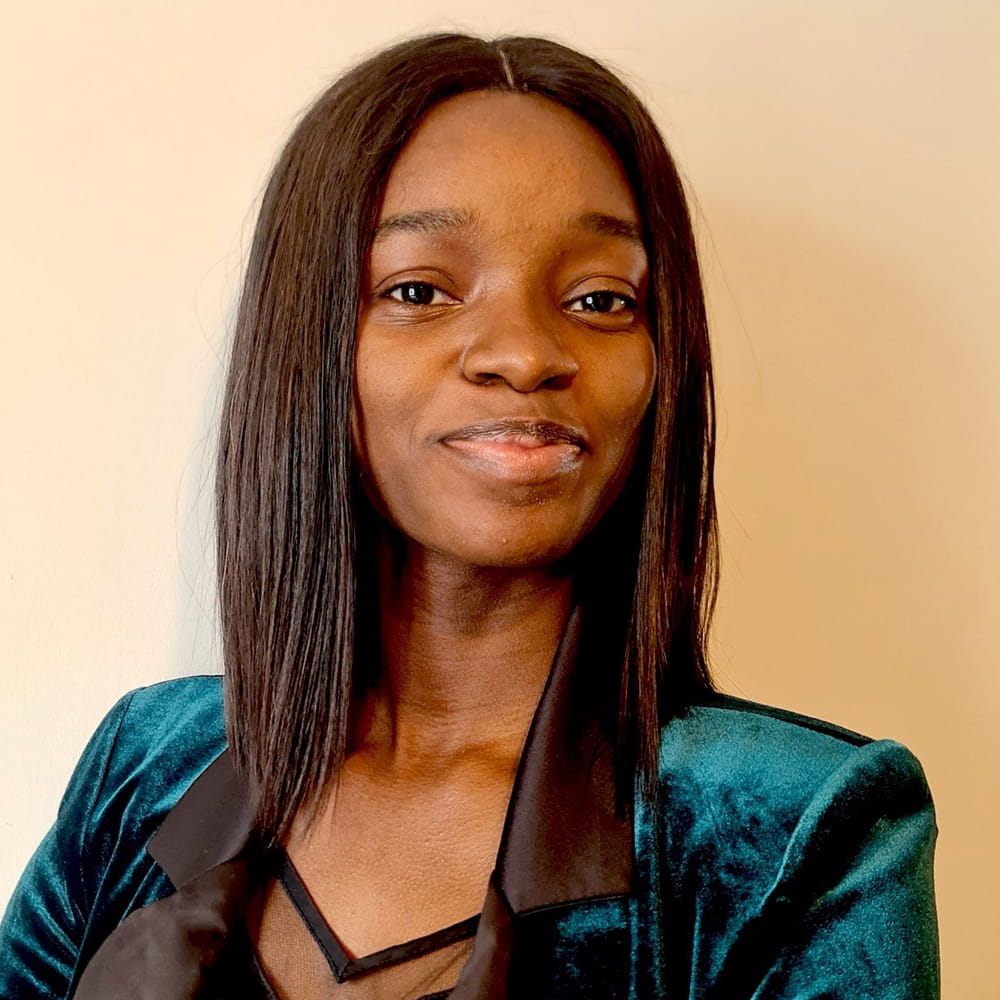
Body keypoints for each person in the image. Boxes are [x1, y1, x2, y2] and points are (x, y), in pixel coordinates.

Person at [0, 33, 938, 999]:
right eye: (419, 290)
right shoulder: (143, 764)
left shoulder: (802, 834)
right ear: (309, 344)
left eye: (600, 299)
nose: (525, 353)